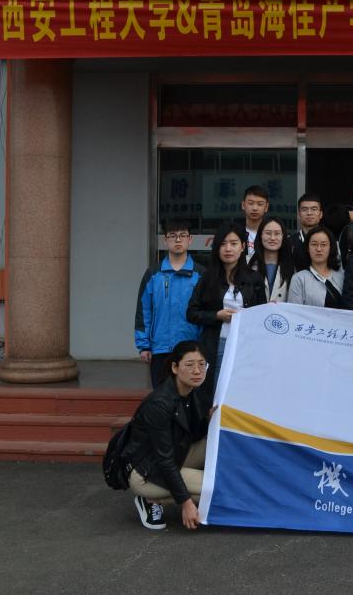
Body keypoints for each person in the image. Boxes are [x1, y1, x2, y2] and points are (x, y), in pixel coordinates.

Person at [122, 340, 210, 531]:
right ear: (175, 368)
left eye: (202, 364)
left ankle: (165, 494)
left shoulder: (192, 392)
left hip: (176, 455)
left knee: (216, 444)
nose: (197, 371)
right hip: (147, 472)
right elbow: (164, 459)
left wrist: (208, 419)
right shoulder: (159, 404)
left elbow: (195, 435)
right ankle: (149, 498)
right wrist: (186, 503)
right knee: (216, 487)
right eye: (189, 365)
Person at [186, 221, 266, 407]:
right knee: (215, 391)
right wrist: (217, 316)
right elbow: (191, 313)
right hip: (217, 343)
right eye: (223, 244)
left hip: (245, 344)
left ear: (243, 247)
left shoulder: (254, 278)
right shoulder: (207, 278)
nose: (228, 248)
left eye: (233, 243)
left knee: (242, 391)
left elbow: (261, 314)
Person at [134, 220, 204, 388]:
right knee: (161, 395)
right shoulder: (153, 274)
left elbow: (206, 312)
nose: (178, 240)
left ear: (190, 239)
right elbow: (144, 311)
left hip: (191, 347)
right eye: (172, 236)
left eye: (182, 235)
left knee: (191, 395)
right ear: (165, 240)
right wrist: (144, 346)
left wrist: (204, 345)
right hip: (160, 348)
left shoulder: (201, 274)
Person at [287, 226, 345, 307]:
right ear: (307, 248)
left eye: (323, 244)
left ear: (331, 248)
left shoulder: (342, 276)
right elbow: (294, 312)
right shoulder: (299, 279)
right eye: (314, 244)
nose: (318, 249)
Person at [249, 216, 294, 303]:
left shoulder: (292, 266)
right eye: (268, 233)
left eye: (277, 233)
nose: (273, 238)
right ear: (260, 235)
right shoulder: (248, 263)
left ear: (283, 236)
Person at [288, 192, 323, 271]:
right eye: (304, 209)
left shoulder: (329, 241)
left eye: (314, 209)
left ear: (321, 214)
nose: (309, 213)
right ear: (299, 214)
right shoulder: (290, 243)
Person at [240, 185, 270, 259]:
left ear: (266, 207)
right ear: (243, 205)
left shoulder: (272, 234)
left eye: (260, 204)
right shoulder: (235, 232)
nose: (255, 208)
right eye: (250, 203)